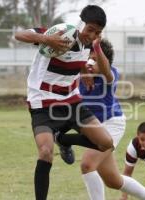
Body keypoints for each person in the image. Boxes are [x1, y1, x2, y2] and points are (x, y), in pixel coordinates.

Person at [15, 5, 114, 200]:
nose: (93, 34)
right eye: (90, 29)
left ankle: (62, 139)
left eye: (98, 32)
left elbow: (108, 76)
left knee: (106, 143)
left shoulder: (91, 44)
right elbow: (19, 35)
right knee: (45, 152)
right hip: (43, 102)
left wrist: (95, 48)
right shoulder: (61, 33)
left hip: (72, 103)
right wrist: (45, 38)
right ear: (80, 24)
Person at [57, 38, 145, 200]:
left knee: (87, 165)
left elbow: (105, 71)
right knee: (113, 180)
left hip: (111, 125)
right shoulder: (80, 75)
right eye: (89, 58)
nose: (90, 63)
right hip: (92, 128)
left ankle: (63, 140)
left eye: (96, 60)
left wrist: (97, 48)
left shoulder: (110, 74)